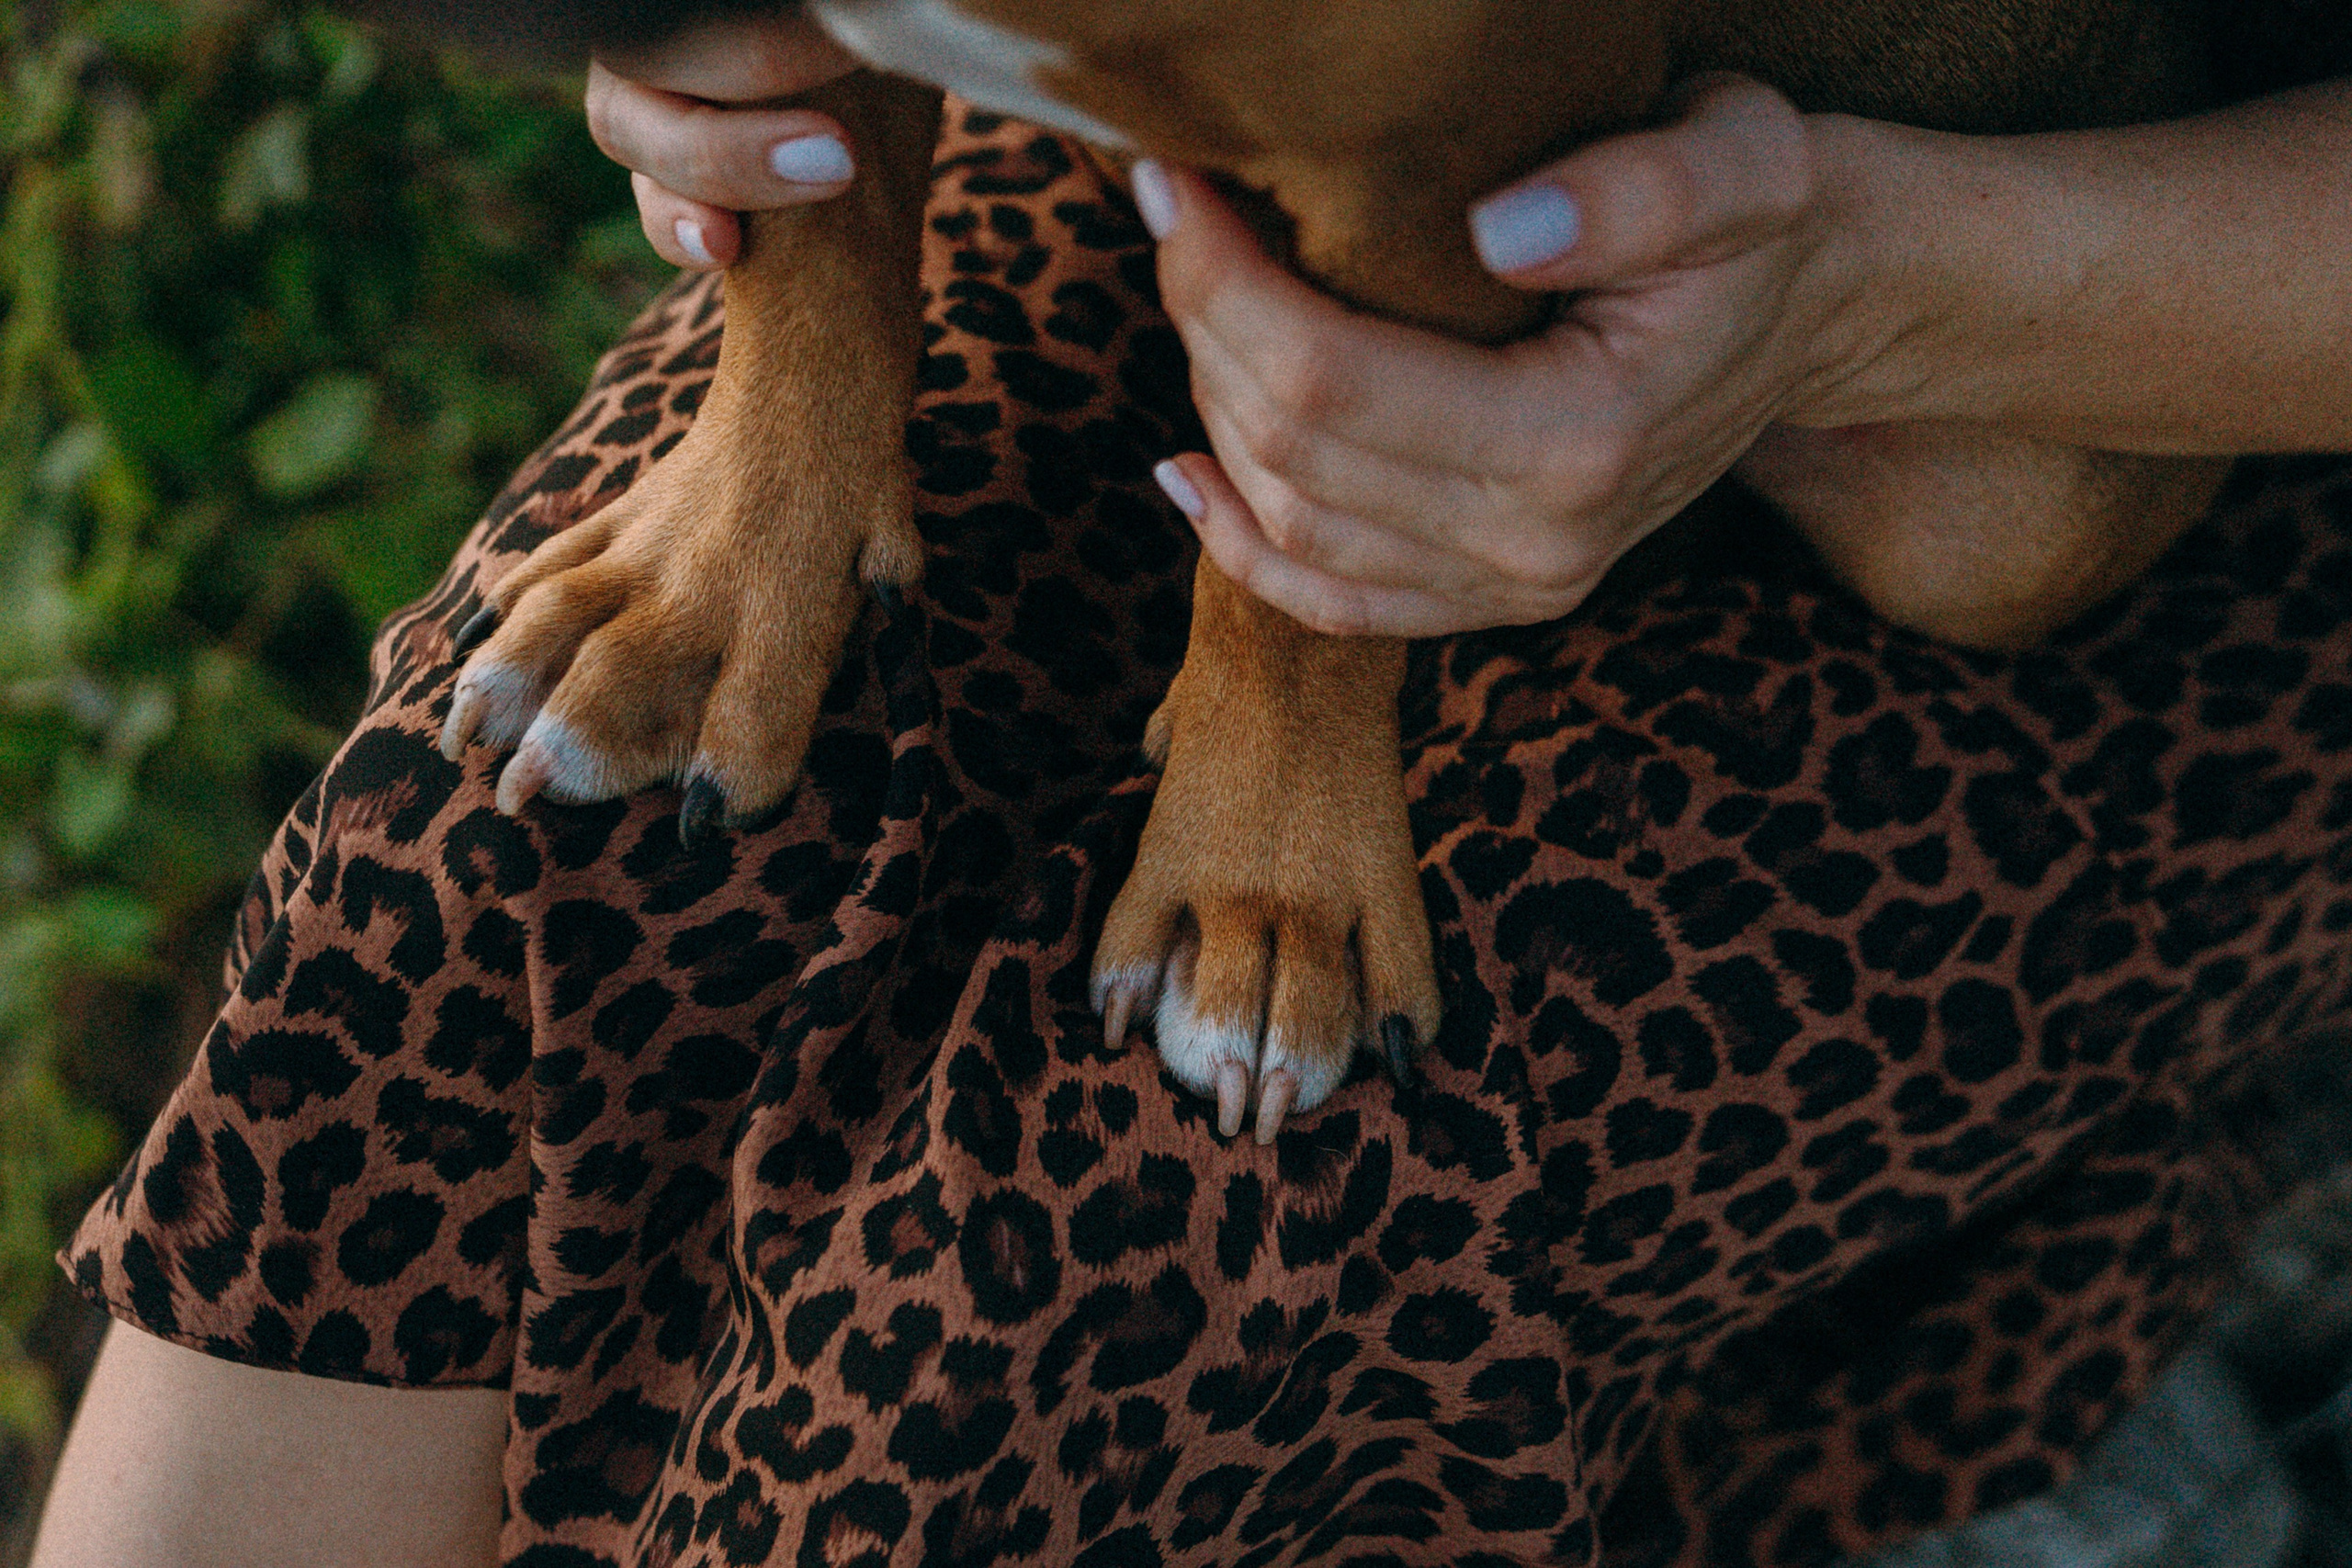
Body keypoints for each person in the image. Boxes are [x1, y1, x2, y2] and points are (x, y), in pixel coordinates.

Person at [31, 9, 2352, 1566]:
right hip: (1248, 121)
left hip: (2159, 319)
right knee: (502, 856)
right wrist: (785, 266)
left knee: (1135, 1247)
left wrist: (1853, 294)